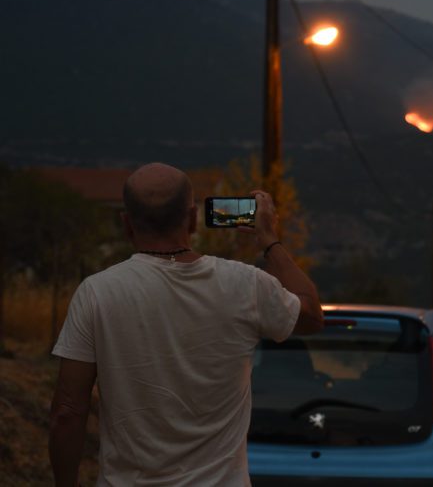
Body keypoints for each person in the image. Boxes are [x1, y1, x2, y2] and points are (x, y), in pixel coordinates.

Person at [48, 163, 324, 487]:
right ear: (193, 218)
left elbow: (67, 411)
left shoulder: (96, 292)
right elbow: (311, 315)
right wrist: (269, 240)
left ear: (127, 224)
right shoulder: (244, 285)